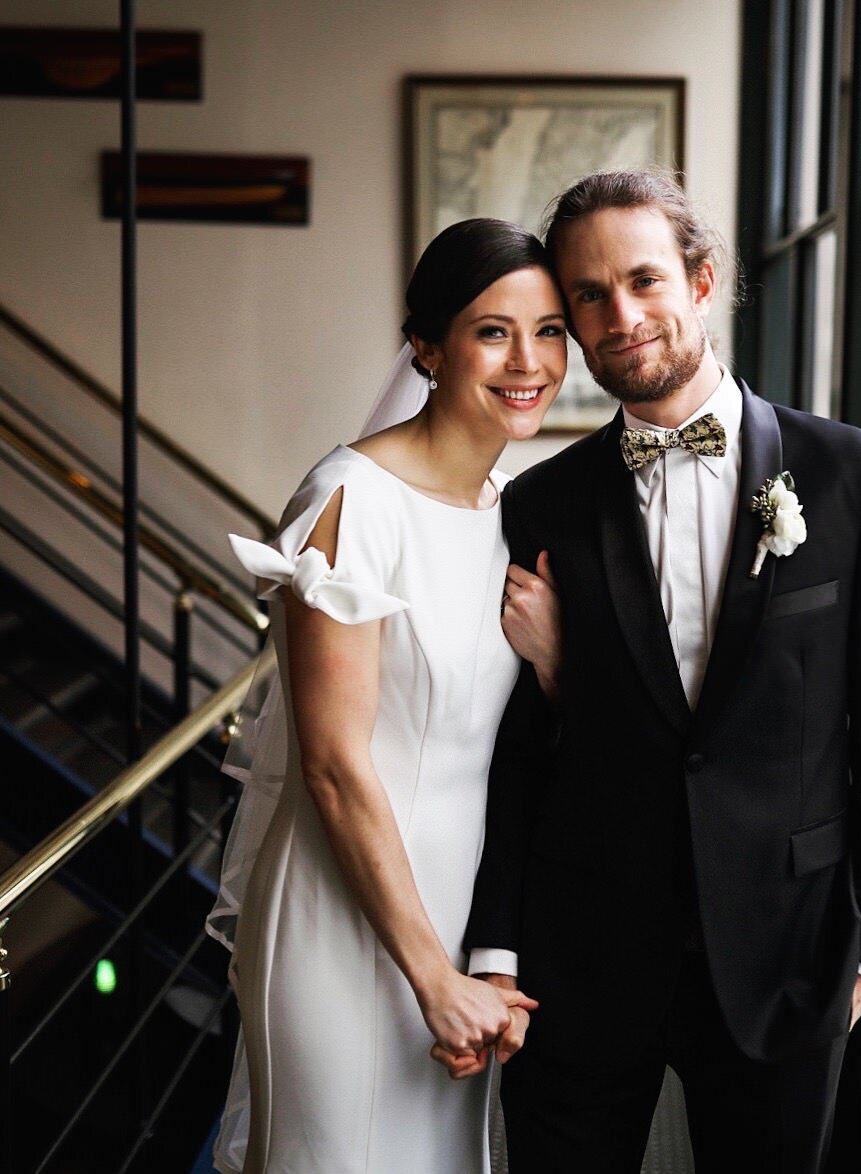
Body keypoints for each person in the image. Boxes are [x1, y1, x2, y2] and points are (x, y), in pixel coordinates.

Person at [459, 171, 861, 1173]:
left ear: (703, 280)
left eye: (643, 280)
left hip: (787, 960)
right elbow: (511, 751)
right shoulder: (537, 505)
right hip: (582, 960)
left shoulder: (854, 477)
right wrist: (496, 944)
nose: (620, 315)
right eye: (588, 295)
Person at [204, 218, 567, 1173]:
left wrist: (484, 958)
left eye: (551, 330)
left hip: (462, 914)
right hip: (344, 911)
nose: (528, 361)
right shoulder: (350, 501)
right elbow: (330, 766)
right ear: (426, 346)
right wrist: (431, 976)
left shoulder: (509, 510)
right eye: (493, 331)